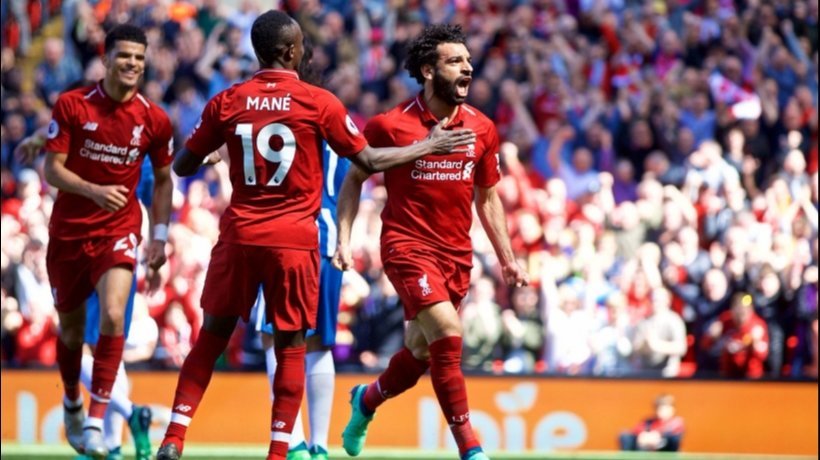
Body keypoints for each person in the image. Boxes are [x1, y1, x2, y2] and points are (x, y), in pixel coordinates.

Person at [156, 11, 475, 460]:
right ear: (290, 51)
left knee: (210, 338)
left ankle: (173, 436)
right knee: (292, 345)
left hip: (240, 236)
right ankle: (280, 451)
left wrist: (220, 150)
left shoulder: (228, 100)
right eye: (301, 44)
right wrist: (427, 146)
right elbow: (368, 160)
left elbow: (183, 165)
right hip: (294, 240)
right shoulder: (317, 102)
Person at [334, 24, 528, 460]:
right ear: (427, 70)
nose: (468, 67)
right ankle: (470, 448)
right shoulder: (391, 124)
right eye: (455, 61)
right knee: (448, 332)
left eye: (468, 60)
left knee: (420, 354)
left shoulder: (482, 127)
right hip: (406, 247)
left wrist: (508, 259)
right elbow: (355, 179)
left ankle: (366, 401)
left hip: (455, 257)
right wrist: (344, 238)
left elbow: (488, 197)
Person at [42, 24, 174, 459]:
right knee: (72, 331)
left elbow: (163, 181)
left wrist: (158, 236)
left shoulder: (154, 119)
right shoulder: (73, 105)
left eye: (139, 57)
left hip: (119, 230)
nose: (133, 64)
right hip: (69, 233)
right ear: (106, 59)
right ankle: (72, 401)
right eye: (124, 56)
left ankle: (98, 421)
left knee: (115, 316)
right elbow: (52, 170)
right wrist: (94, 190)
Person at [16, 135, 156, 460]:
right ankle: (114, 443)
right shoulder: (129, 143)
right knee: (105, 351)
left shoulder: (109, 147)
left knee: (78, 344)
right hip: (116, 252)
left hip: (95, 250)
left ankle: (126, 421)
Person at [254, 141, 348, 460]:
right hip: (330, 237)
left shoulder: (287, 114)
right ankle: (319, 446)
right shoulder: (338, 120)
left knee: (273, 336)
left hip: (288, 236)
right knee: (319, 343)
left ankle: (293, 442)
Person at [618, 394, 684, 452]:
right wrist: (643, 435)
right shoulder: (650, 421)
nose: (664, 412)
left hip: (663, 448)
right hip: (646, 447)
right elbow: (636, 430)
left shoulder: (676, 422)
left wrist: (656, 436)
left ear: (673, 409)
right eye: (661, 409)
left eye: (667, 408)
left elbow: (672, 438)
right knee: (625, 436)